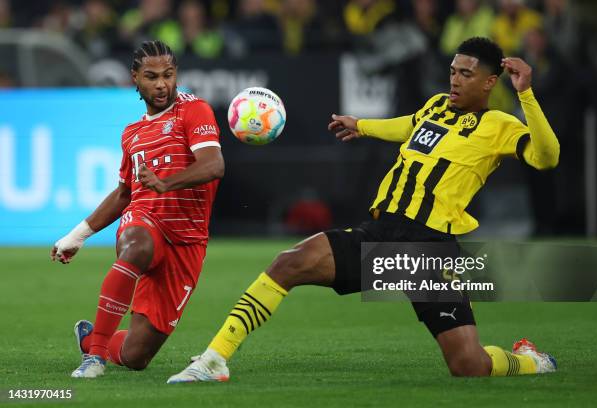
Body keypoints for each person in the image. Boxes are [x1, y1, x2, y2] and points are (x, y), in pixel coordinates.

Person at [168, 37, 559, 383]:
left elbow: (546, 158)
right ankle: (215, 358)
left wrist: (526, 95)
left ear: (491, 82)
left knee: (468, 365)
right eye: (453, 71)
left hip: (430, 250)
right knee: (289, 263)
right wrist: (363, 125)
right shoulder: (437, 106)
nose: (455, 80)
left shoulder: (499, 125)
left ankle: (530, 361)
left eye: (467, 74)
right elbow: (409, 125)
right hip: (382, 235)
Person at [51, 40, 224, 378]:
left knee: (135, 356)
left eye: (169, 75)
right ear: (135, 78)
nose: (162, 84)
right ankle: (94, 358)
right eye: (152, 76)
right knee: (136, 244)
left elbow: (214, 165)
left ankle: (91, 340)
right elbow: (125, 193)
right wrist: (77, 236)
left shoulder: (194, 110)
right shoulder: (132, 134)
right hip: (146, 220)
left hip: (187, 242)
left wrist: (166, 182)